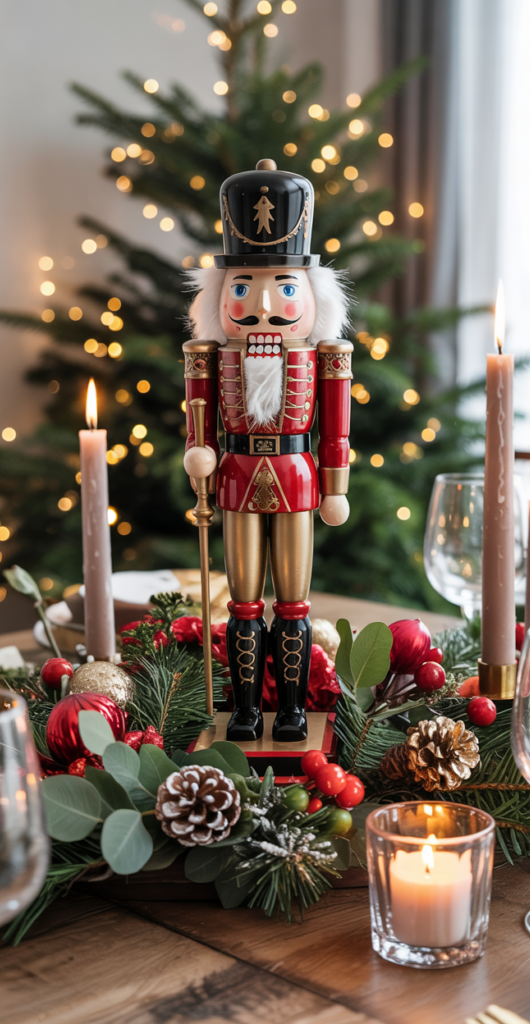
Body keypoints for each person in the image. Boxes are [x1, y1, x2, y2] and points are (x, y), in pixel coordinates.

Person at [182, 159, 352, 742]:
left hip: (297, 474)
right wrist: (200, 458)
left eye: (284, 286)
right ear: (219, 296)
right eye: (242, 287)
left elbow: (336, 428)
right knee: (244, 603)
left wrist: (336, 486)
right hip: (235, 474)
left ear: (312, 294)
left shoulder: (324, 356)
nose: (262, 304)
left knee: (294, 604)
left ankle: (294, 711)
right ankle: (247, 709)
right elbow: (198, 419)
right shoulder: (210, 355)